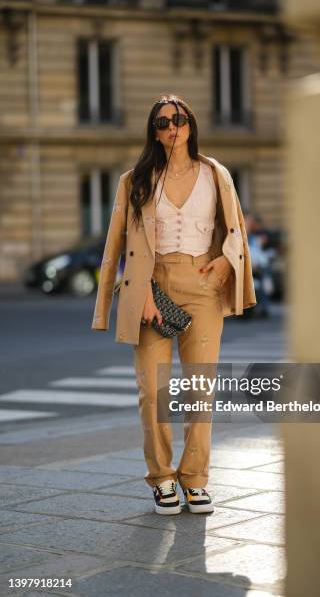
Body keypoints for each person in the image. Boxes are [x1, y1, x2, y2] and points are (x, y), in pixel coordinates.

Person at [91, 94, 257, 515]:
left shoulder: (215, 173)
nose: (172, 127)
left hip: (203, 284)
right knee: (153, 390)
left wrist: (224, 261)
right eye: (162, 122)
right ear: (154, 130)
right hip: (153, 285)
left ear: (191, 123)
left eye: (179, 119)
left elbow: (235, 225)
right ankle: (162, 477)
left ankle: (196, 479)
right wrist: (139, 292)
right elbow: (121, 241)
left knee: (200, 389)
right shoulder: (137, 179)